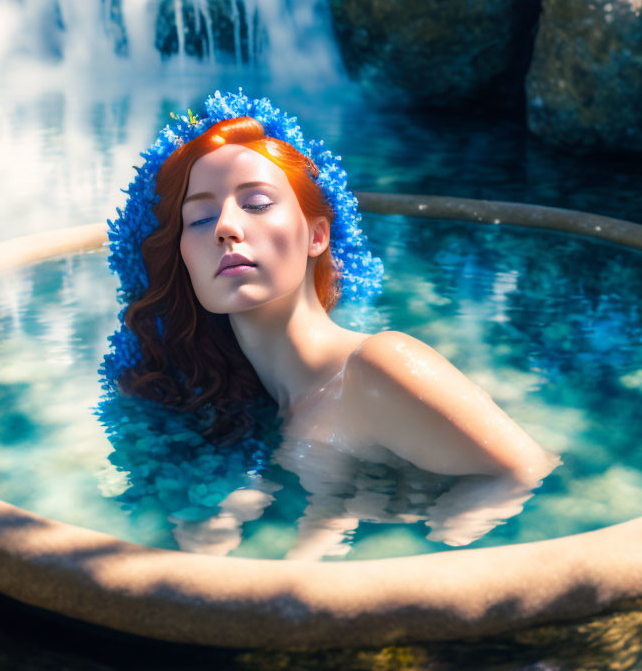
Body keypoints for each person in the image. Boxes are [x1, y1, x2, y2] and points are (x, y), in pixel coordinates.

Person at [102, 90, 558, 558]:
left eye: (256, 203)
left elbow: (526, 473)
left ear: (317, 235)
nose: (225, 227)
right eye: (198, 218)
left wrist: (421, 559)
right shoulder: (248, 402)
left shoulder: (379, 366)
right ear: (182, 261)